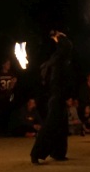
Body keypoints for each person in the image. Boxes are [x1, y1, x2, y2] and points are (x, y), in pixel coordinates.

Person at [31, 30, 73, 164]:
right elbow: (58, 81)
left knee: (61, 126)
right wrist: (60, 37)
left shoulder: (57, 59)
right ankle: (36, 153)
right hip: (56, 96)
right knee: (50, 125)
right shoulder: (58, 60)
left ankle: (58, 153)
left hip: (57, 96)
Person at [0, 58, 18, 135]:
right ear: (3, 64)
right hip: (0, 97)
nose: (9, 65)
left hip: (9, 97)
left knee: (8, 114)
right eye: (7, 64)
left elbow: (12, 87)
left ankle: (6, 130)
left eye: (9, 64)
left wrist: (13, 83)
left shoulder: (11, 74)